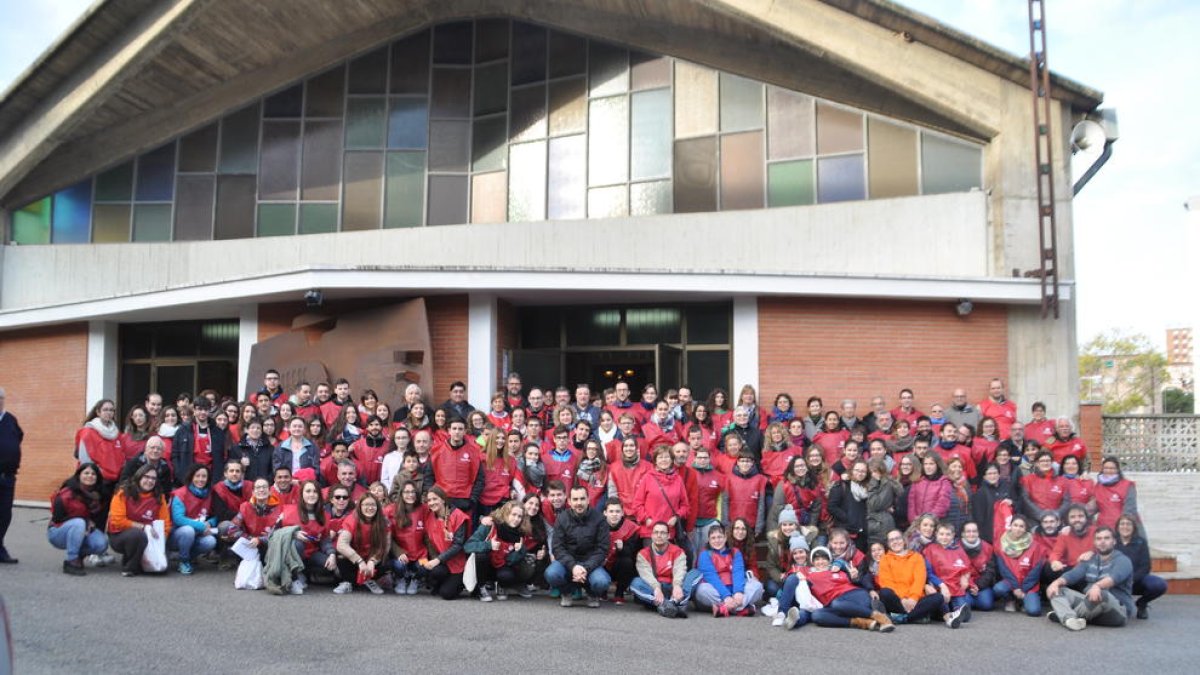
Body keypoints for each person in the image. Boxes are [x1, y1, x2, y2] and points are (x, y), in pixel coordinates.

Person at [1046, 527, 1134, 630]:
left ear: (1114, 541)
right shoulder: (1090, 559)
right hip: (1091, 604)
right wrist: (1056, 583)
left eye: (1106, 538)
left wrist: (1097, 586)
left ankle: (1063, 614)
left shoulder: (1123, 560)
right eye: (1099, 539)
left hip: (1117, 610)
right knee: (1058, 590)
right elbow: (1073, 575)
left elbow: (1113, 579)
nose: (1102, 542)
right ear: (1095, 542)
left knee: (1102, 593)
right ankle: (1070, 619)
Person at [546, 485, 611, 608]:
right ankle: (566, 592)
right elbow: (557, 547)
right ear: (569, 501)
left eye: (582, 499)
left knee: (601, 582)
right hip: (568, 563)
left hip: (591, 563)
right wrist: (573, 566)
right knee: (552, 573)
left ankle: (592, 594)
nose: (579, 503)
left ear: (588, 499)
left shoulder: (600, 519)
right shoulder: (562, 518)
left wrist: (585, 567)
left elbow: (602, 549)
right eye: (575, 499)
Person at [876, 529, 954, 626]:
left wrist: (913, 598)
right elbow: (886, 582)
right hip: (897, 601)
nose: (895, 542)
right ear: (888, 544)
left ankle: (903, 618)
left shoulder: (917, 557)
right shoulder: (885, 559)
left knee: (938, 597)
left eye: (897, 538)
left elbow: (919, 580)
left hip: (916, 600)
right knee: (885, 592)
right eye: (891, 540)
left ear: (904, 540)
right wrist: (902, 599)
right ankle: (916, 616)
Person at [805, 545, 893, 631]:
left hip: (854, 595)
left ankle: (880, 617)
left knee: (837, 603)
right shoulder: (809, 576)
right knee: (817, 615)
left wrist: (856, 578)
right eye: (817, 559)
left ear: (829, 560)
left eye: (824, 559)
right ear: (812, 562)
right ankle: (861, 622)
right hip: (835, 605)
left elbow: (860, 579)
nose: (821, 562)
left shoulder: (838, 569)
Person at [107, 463, 172, 576]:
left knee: (162, 568)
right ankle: (129, 566)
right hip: (121, 535)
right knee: (137, 535)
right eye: (146, 477)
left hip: (151, 536)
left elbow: (165, 523)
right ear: (139, 476)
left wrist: (161, 541)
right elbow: (117, 521)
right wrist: (143, 527)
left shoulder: (159, 497)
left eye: (153, 478)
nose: (150, 481)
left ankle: (139, 559)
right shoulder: (123, 493)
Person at [465, 500, 536, 602]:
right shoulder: (490, 525)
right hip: (485, 565)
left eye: (519, 516)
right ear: (506, 513)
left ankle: (502, 585)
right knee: (481, 555)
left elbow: (510, 561)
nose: (516, 519)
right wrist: (488, 545)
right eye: (513, 514)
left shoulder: (521, 532)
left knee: (507, 576)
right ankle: (481, 588)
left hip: (502, 565)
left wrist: (519, 551)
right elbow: (468, 546)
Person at [48, 463, 110, 575]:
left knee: (102, 543)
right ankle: (71, 561)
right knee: (79, 522)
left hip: (83, 530)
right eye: (86, 473)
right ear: (79, 475)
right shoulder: (67, 493)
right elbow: (57, 517)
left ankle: (78, 556)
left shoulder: (98, 496)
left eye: (93, 474)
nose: (90, 476)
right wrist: (84, 521)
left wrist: (90, 525)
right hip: (58, 531)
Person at [631, 521, 702, 618]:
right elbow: (646, 574)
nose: (659, 535)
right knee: (635, 583)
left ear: (668, 535)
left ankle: (674, 602)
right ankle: (668, 604)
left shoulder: (677, 551)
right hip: (654, 588)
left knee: (696, 573)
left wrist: (677, 585)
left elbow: (680, 569)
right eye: (656, 532)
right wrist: (656, 587)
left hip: (673, 587)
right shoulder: (643, 554)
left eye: (662, 533)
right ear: (651, 535)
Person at [276, 480, 336, 593]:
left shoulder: (324, 515)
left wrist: (331, 554)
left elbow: (325, 539)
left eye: (315, 491)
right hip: (291, 552)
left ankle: (305, 573)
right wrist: (292, 533)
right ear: (301, 494)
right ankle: (294, 577)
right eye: (308, 491)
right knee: (297, 544)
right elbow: (274, 533)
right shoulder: (288, 510)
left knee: (330, 565)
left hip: (311, 553)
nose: (311, 494)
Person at [694, 523, 764, 616]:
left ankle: (724, 608)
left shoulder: (735, 552)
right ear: (709, 541)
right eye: (713, 538)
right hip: (716, 590)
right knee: (701, 590)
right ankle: (740, 608)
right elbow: (711, 577)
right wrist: (726, 596)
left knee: (757, 586)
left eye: (720, 537)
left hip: (735, 589)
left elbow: (738, 572)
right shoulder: (704, 554)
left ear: (725, 538)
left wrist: (738, 592)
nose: (717, 540)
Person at [333, 492, 392, 595]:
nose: (370, 508)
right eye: (366, 505)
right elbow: (341, 544)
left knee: (388, 561)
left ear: (377, 507)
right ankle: (347, 582)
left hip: (372, 559)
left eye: (373, 505)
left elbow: (385, 546)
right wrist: (359, 561)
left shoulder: (384, 521)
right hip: (355, 559)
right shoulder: (352, 519)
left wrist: (373, 560)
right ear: (360, 506)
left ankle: (369, 580)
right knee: (341, 555)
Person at [632, 445, 689, 545]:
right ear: (655, 461)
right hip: (650, 531)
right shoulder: (647, 478)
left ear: (672, 460)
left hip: (669, 531)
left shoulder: (678, 479)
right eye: (660, 457)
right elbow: (637, 504)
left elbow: (685, 505)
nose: (664, 460)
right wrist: (646, 519)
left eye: (667, 457)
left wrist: (676, 517)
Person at [421, 485, 471, 600]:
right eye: (429, 500)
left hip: (457, 563)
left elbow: (458, 545)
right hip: (441, 561)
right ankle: (441, 581)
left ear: (443, 499)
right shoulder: (429, 516)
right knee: (424, 568)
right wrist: (432, 559)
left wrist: (437, 560)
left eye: (435, 499)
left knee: (446, 594)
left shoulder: (457, 516)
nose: (431, 502)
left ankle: (460, 582)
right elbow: (428, 541)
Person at [169, 463, 218, 575]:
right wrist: (202, 526)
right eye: (197, 476)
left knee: (211, 541)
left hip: (198, 533)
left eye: (204, 476)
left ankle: (190, 557)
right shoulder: (180, 493)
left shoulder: (210, 493)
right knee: (188, 530)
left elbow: (216, 515)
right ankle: (183, 561)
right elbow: (178, 519)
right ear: (191, 477)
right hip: (176, 534)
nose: (200, 479)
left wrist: (210, 522)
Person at [1115, 514, 1166, 619]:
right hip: (1116, 582)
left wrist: (1131, 579)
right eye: (1122, 524)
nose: (1125, 527)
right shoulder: (1112, 542)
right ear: (1117, 527)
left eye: (1128, 524)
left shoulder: (1141, 542)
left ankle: (1141, 604)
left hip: (1136, 581)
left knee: (1159, 585)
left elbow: (1145, 566)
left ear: (1134, 527)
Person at [992, 515, 1045, 616]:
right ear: (1010, 526)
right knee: (998, 589)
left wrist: (1023, 589)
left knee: (1034, 611)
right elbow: (1004, 570)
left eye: (1021, 526)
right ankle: (1010, 599)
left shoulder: (1035, 546)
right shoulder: (1001, 544)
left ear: (1025, 529)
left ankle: (1022, 600)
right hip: (1011, 583)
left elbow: (1035, 572)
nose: (1018, 529)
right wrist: (1016, 588)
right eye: (1015, 525)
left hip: (1029, 585)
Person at [923, 521, 974, 623]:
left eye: (948, 534)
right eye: (941, 534)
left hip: (956, 588)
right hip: (940, 588)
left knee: (966, 617)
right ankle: (947, 614)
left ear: (953, 535)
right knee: (941, 607)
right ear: (936, 534)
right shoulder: (930, 549)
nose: (944, 537)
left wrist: (965, 577)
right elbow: (928, 572)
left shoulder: (958, 549)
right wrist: (939, 585)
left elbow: (967, 567)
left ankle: (956, 611)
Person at [228, 478, 282, 560]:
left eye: (264, 487)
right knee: (224, 527)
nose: (261, 490)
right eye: (258, 487)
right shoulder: (246, 507)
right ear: (253, 492)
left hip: (271, 546)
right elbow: (232, 528)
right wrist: (250, 538)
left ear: (270, 491)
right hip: (250, 544)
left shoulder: (279, 509)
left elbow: (279, 534)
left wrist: (260, 540)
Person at [601, 501, 641, 603]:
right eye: (611, 511)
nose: (614, 514)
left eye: (617, 511)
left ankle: (619, 593)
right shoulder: (598, 526)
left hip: (619, 565)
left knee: (627, 562)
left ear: (623, 513)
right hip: (602, 563)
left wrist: (622, 548)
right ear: (605, 513)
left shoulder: (631, 527)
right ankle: (602, 591)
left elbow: (633, 553)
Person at [828, 459, 870, 553]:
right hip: (846, 532)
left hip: (862, 532)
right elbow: (831, 506)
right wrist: (847, 518)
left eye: (863, 471)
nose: (860, 473)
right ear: (851, 471)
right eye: (857, 470)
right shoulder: (841, 486)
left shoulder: (867, 488)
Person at [723, 452, 767, 537]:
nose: (745, 463)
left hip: (751, 525)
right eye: (742, 461)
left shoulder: (760, 479)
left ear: (752, 463)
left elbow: (761, 505)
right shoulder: (729, 479)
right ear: (737, 462)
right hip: (733, 524)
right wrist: (726, 524)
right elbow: (725, 502)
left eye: (748, 461)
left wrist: (759, 526)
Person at [970, 462, 1014, 544]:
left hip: (1008, 533)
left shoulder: (1007, 487)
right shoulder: (980, 493)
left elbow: (1017, 504)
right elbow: (979, 519)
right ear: (984, 476)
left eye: (995, 473)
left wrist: (1012, 503)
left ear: (999, 474)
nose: (993, 476)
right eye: (989, 474)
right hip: (990, 536)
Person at [960, 522, 997, 610]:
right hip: (964, 584)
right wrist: (969, 585)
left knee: (986, 605)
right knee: (967, 603)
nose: (971, 534)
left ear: (978, 533)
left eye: (974, 531)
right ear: (963, 534)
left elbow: (990, 571)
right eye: (968, 531)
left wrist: (977, 586)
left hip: (981, 584)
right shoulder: (956, 547)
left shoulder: (988, 548)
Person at [1094, 457, 1139, 529]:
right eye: (1106, 468)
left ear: (1117, 470)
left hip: (1121, 528)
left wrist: (1123, 527)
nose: (1108, 471)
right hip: (1102, 528)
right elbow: (1093, 506)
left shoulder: (1127, 485)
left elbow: (1130, 509)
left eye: (1112, 468)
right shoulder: (1098, 486)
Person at [1021, 450, 1066, 522]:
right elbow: (1026, 500)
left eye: (1048, 460)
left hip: (1057, 520)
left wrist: (1056, 514)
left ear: (1052, 463)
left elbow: (1066, 501)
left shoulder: (1062, 481)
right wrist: (1041, 514)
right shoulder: (1027, 480)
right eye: (1042, 461)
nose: (1045, 463)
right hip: (1034, 520)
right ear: (1037, 463)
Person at [908, 455, 951, 520]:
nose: (928, 467)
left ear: (938, 465)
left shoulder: (944, 482)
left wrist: (929, 519)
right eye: (926, 464)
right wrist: (913, 519)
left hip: (933, 522)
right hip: (916, 522)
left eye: (931, 464)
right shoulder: (917, 480)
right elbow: (911, 503)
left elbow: (942, 504)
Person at [379, 427, 412, 491]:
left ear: (409, 439)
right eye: (398, 438)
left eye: (404, 438)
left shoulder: (413, 456)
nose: (401, 440)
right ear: (394, 440)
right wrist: (390, 491)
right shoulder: (388, 457)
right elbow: (384, 479)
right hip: (392, 492)